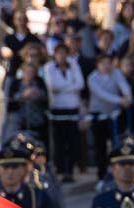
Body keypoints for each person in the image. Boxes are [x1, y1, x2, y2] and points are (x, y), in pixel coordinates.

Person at [87, 52, 132, 177]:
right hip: (98, 115)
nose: (106, 66)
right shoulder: (92, 78)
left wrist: (128, 96)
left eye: (108, 63)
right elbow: (101, 94)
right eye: (103, 63)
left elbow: (124, 86)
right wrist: (120, 100)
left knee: (117, 143)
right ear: (97, 65)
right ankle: (101, 174)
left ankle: (118, 171)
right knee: (100, 146)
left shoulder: (116, 73)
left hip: (114, 115)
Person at [46, 43, 85, 183]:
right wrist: (70, 87)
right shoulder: (49, 68)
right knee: (60, 142)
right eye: (59, 53)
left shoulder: (73, 65)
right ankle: (61, 169)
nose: (62, 56)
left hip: (72, 108)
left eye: (64, 53)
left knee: (73, 141)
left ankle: (70, 170)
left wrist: (64, 89)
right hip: (58, 109)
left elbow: (80, 84)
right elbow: (53, 86)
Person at [0, 141, 61, 208]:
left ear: (25, 169)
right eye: (5, 167)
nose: (10, 172)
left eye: (15, 167)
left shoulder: (38, 196)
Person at [4, 60, 50, 142]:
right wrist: (22, 95)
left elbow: (46, 98)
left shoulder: (39, 83)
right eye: (27, 71)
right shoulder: (15, 83)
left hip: (36, 119)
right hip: (19, 120)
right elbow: (10, 100)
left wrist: (37, 93)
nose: (29, 74)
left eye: (31, 72)